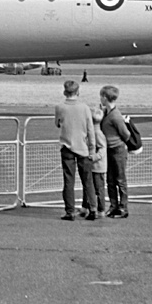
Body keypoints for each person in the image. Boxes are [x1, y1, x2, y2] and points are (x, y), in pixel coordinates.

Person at [55, 79, 97, 221]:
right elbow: (91, 130)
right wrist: (92, 149)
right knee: (87, 180)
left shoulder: (60, 107)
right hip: (83, 147)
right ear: (78, 92)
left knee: (68, 180)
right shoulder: (85, 108)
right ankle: (92, 208)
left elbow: (57, 123)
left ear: (65, 92)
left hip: (67, 147)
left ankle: (70, 211)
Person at [99, 85, 131, 218]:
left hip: (117, 149)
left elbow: (126, 134)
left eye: (101, 96)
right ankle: (113, 206)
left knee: (120, 179)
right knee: (111, 180)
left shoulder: (115, 116)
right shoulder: (107, 113)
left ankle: (123, 208)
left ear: (105, 98)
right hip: (109, 149)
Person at [90, 107, 109, 217]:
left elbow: (102, 149)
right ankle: (92, 207)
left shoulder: (98, 133)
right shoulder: (95, 132)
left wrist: (94, 157)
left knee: (99, 188)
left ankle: (101, 209)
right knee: (95, 187)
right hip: (95, 166)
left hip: (98, 166)